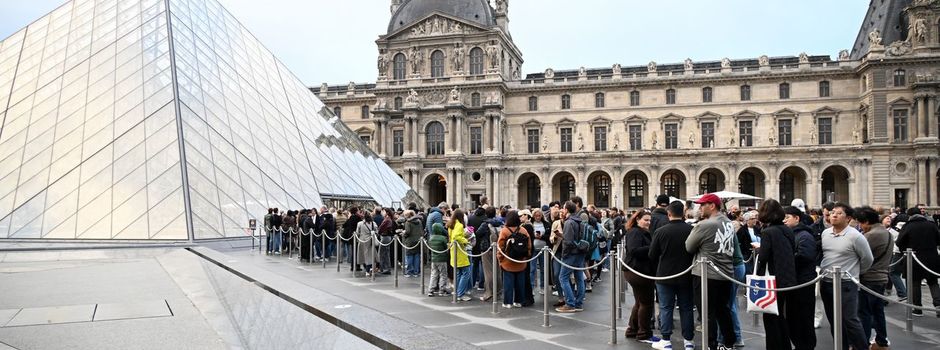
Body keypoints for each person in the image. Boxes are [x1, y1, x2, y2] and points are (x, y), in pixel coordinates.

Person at [684, 193, 736, 350]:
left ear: (712, 206)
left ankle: (710, 344)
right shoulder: (728, 222)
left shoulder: (705, 225)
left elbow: (689, 247)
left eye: (702, 205)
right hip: (725, 273)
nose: (699, 208)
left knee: (706, 313)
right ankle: (729, 342)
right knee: (723, 310)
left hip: (706, 274)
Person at [819, 203, 873, 350]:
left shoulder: (855, 236)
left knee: (850, 320)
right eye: (832, 213)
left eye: (838, 213)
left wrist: (854, 273)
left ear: (848, 218)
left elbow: (867, 259)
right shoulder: (825, 233)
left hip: (847, 283)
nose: (834, 215)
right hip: (826, 281)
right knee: (834, 320)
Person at [649, 201, 695, 350]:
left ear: (669, 214)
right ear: (683, 213)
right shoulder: (691, 230)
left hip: (665, 274)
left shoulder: (661, 231)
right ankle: (688, 340)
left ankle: (666, 339)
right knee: (686, 308)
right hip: (687, 273)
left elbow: (652, 254)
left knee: (666, 307)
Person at [755, 199, 797, 350]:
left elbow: (764, 257)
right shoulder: (787, 230)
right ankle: (785, 345)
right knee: (780, 315)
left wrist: (758, 277)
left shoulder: (768, 232)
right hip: (787, 277)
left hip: (773, 279)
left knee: (770, 316)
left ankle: (774, 346)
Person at [855, 206, 892, 349]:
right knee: (878, 311)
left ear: (866, 222)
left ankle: (863, 342)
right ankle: (882, 339)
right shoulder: (886, 232)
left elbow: (858, 255)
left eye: (860, 223)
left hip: (869, 278)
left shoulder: (870, 235)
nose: (860, 226)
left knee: (864, 312)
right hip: (882, 277)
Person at [782, 206, 818, 350]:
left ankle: (806, 345)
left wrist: (786, 259)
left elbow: (805, 256)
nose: (784, 220)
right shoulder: (792, 234)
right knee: (793, 317)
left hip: (803, 282)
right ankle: (799, 344)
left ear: (797, 218)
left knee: (803, 317)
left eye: (787, 217)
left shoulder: (804, 235)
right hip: (795, 281)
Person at [896, 207, 940, 317]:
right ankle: (938, 305)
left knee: (914, 283)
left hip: (914, 257)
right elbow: (938, 239)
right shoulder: (931, 225)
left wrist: (905, 250)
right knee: (933, 282)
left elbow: (899, 242)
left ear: (909, 215)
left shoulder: (908, 226)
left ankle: (917, 308)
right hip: (931, 257)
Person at [622, 210, 658, 343]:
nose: (648, 222)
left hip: (638, 270)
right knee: (646, 303)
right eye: (645, 220)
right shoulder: (635, 232)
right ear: (637, 220)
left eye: (649, 220)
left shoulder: (640, 231)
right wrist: (653, 247)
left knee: (640, 302)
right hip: (638, 271)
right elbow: (634, 250)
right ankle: (644, 333)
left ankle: (632, 329)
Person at [556, 201, 586, 313]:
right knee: (579, 278)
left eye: (563, 209)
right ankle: (578, 303)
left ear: (567, 210)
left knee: (563, 277)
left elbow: (568, 242)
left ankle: (570, 303)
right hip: (580, 252)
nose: (562, 211)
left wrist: (565, 254)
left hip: (571, 254)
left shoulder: (569, 222)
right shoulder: (579, 220)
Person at [498, 210, 531, 308]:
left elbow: (500, 245)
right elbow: (529, 245)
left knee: (508, 282)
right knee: (520, 282)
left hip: (508, 261)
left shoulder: (504, 231)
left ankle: (508, 302)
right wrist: (526, 255)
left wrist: (500, 258)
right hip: (521, 260)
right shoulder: (523, 230)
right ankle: (519, 301)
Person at [448, 208, 473, 301]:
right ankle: (460, 293)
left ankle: (457, 291)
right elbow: (456, 236)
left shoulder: (451, 224)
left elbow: (452, 237)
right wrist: (466, 240)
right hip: (460, 251)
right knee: (466, 272)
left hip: (454, 250)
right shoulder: (459, 225)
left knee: (458, 272)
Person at [884, 214, 908, 302]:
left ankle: (902, 294)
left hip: (896, 253)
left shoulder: (892, 230)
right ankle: (889, 290)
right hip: (909, 253)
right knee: (907, 275)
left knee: (893, 273)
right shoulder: (908, 227)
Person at [427, 222, 451, 296]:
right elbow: (446, 248)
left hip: (434, 259)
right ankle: (442, 290)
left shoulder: (431, 238)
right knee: (443, 274)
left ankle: (431, 290)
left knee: (434, 274)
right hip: (442, 259)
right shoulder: (442, 238)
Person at [530, 209, 549, 294]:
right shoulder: (530, 224)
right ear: (533, 216)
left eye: (539, 215)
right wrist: (534, 236)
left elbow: (549, 236)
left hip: (543, 249)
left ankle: (543, 287)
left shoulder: (546, 224)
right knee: (532, 269)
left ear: (542, 216)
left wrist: (541, 236)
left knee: (543, 269)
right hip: (533, 249)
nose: (538, 217)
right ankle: (531, 287)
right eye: (536, 216)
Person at [401, 210, 423, 277]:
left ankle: (410, 271)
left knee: (409, 256)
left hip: (410, 241)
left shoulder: (408, 222)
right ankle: (416, 272)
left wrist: (403, 234)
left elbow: (408, 232)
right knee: (417, 256)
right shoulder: (419, 221)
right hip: (418, 241)